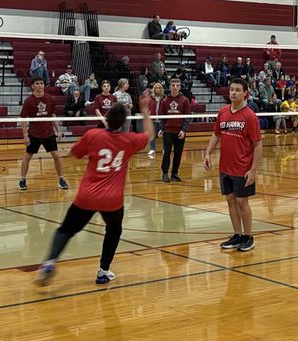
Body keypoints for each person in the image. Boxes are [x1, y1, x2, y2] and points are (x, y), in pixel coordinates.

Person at [37, 97, 153, 286]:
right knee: (113, 230)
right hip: (113, 200)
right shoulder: (130, 140)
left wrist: (77, 154)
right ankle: (103, 271)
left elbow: (73, 155)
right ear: (124, 122)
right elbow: (149, 135)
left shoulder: (93, 135)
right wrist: (145, 111)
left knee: (65, 230)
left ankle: (50, 262)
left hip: (87, 196)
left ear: (106, 118)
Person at [203, 78, 263, 252]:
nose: (233, 93)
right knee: (230, 200)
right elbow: (216, 134)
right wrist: (208, 153)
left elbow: (258, 145)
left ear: (245, 93)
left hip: (242, 167)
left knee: (242, 201)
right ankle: (237, 234)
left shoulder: (250, 116)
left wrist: (253, 170)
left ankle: (248, 236)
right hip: (225, 167)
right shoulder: (222, 112)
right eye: (231, 90)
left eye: (237, 90)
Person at [18, 78, 68, 191]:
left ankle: (61, 179)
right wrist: (25, 135)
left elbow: (52, 115)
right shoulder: (28, 101)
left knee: (56, 155)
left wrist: (58, 130)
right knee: (27, 156)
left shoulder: (50, 98)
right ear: (32, 86)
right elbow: (23, 119)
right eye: (37, 84)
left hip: (48, 133)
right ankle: (22, 179)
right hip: (34, 134)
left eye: (41, 83)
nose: (40, 86)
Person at [159, 77, 190, 182]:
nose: (175, 87)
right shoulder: (164, 101)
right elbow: (161, 117)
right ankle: (164, 173)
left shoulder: (185, 100)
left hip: (179, 132)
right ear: (170, 86)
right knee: (166, 153)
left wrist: (184, 130)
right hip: (168, 131)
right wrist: (162, 129)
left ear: (180, 87)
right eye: (173, 85)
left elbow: (187, 117)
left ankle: (174, 173)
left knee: (178, 153)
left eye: (177, 85)